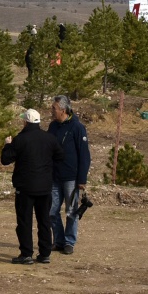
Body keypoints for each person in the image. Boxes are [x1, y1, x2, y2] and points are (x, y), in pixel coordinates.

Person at [1, 108, 62, 264]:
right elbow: (60, 156)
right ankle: (45, 253)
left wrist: (7, 145)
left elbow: (5, 159)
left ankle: (26, 254)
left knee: (24, 222)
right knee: (44, 221)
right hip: (44, 187)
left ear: (26, 122)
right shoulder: (49, 138)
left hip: (25, 187)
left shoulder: (20, 139)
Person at [48, 96, 91, 255]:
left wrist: (82, 179)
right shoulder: (52, 126)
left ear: (63, 110)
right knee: (52, 211)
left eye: (54, 108)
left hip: (71, 178)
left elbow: (84, 155)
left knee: (71, 211)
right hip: (54, 176)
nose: (52, 111)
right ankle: (58, 240)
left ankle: (69, 242)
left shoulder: (77, 128)